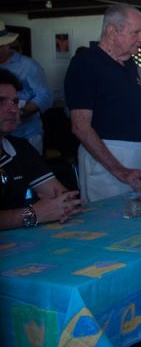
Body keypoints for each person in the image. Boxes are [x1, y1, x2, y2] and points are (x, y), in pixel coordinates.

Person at [64, 4, 141, 202]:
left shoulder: (128, 63)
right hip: (111, 159)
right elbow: (80, 126)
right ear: (112, 31)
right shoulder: (86, 63)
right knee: (112, 223)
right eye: (136, 32)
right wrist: (121, 171)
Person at [0, 69, 82, 230]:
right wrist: (31, 214)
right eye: (1, 101)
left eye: (15, 102)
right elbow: (36, 213)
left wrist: (61, 206)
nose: (13, 109)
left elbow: (62, 198)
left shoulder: (20, 148)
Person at [0, 21, 53, 154]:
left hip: (26, 134)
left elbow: (45, 96)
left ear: (7, 44)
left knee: (30, 172)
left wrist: (22, 111)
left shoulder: (28, 65)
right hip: (1, 137)